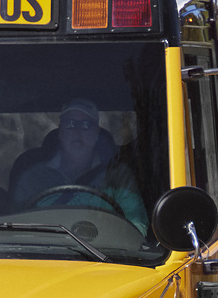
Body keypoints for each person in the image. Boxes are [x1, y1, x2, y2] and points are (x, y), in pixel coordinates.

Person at [9, 98, 148, 230]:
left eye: (86, 125)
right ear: (60, 131)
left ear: (96, 133)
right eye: (70, 124)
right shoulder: (33, 177)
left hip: (102, 253)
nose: (77, 131)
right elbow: (13, 227)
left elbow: (137, 226)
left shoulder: (118, 176)